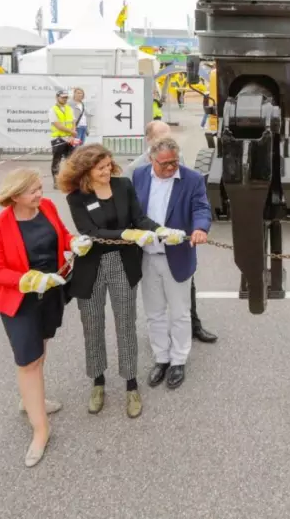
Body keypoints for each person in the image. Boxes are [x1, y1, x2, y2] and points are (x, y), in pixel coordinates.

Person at [0, 167, 93, 467]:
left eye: (39, 188)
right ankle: (40, 429)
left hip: (51, 294)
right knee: (28, 361)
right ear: (16, 196)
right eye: (32, 190)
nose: (40, 194)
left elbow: (61, 234)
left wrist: (72, 243)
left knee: (40, 351)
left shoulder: (46, 208)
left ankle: (32, 401)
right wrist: (31, 280)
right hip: (21, 301)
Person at [60, 144, 165, 419]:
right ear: (87, 170)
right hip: (91, 266)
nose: (108, 171)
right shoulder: (76, 197)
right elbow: (91, 231)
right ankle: (97, 382)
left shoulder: (123, 185)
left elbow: (139, 218)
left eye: (109, 165)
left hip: (122, 263)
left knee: (125, 322)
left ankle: (131, 384)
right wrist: (129, 234)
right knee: (92, 324)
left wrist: (159, 229)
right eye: (101, 167)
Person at [127, 120, 219, 343]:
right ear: (150, 144)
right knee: (155, 307)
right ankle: (161, 348)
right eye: (160, 137)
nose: (171, 168)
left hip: (179, 248)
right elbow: (131, 210)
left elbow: (198, 202)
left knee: (184, 300)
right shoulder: (135, 172)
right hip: (149, 250)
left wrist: (199, 227)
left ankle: (193, 327)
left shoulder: (179, 162)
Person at [132, 137, 212, 389]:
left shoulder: (192, 179)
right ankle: (161, 358)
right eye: (165, 163)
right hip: (146, 256)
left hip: (177, 256)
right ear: (151, 159)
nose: (171, 168)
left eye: (174, 162)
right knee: (154, 313)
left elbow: (201, 207)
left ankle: (178, 361)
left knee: (179, 313)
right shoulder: (139, 176)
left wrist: (200, 228)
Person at [48, 89, 78, 187]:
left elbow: (73, 122)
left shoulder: (69, 108)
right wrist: (71, 132)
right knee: (57, 160)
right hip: (58, 138)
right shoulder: (53, 110)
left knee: (71, 160)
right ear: (57, 97)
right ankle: (56, 181)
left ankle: (69, 180)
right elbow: (57, 125)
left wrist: (72, 134)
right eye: (63, 97)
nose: (65, 99)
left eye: (66, 97)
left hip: (69, 138)